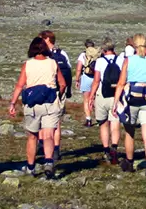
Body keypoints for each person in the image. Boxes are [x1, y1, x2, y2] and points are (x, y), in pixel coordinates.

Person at [9, 37, 67, 179]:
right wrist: (58, 96)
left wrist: (13, 103)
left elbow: (19, 85)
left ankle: (30, 167)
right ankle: (48, 162)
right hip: (50, 103)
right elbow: (63, 83)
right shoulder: (53, 63)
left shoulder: (27, 65)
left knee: (32, 136)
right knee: (48, 135)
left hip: (32, 104)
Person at [112, 33, 146, 177]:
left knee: (130, 132)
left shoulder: (128, 60)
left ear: (134, 45)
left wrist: (116, 102)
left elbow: (121, 83)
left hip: (131, 98)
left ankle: (129, 161)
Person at [86, 38, 124, 164]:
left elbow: (96, 80)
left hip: (102, 94)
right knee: (115, 123)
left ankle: (106, 150)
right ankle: (114, 147)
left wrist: (91, 96)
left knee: (103, 124)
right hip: (117, 95)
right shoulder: (121, 60)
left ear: (103, 49)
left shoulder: (100, 61)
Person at [40, 30, 71, 161]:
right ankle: (56, 150)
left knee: (43, 120)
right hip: (60, 91)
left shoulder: (43, 54)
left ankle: (43, 146)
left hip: (46, 91)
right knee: (57, 121)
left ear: (47, 39)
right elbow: (68, 71)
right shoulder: (62, 53)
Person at [75, 39, 101, 127]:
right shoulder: (97, 54)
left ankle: (89, 119)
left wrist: (77, 79)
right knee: (95, 98)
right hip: (96, 78)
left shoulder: (83, 55)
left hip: (86, 78)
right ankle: (99, 118)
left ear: (85, 46)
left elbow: (79, 68)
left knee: (86, 100)